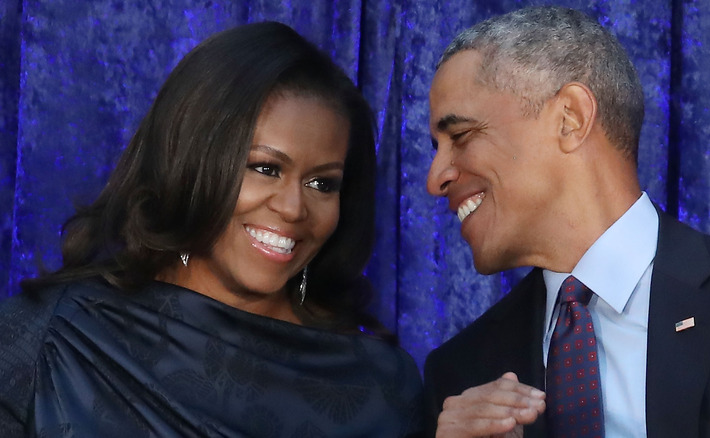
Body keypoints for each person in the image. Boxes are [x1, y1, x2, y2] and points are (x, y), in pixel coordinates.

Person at [0, 21, 423, 437]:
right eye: (265, 168)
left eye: (322, 184)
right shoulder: (48, 337)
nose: (294, 208)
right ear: (188, 162)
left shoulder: (380, 389)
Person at [423, 5, 710, 438]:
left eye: (460, 136)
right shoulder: (460, 374)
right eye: (435, 147)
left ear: (570, 119)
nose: (435, 177)